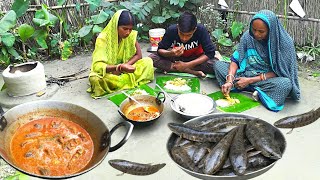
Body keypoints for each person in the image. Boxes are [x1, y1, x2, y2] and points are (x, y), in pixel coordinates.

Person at [213, 10, 300, 112]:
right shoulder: (248, 36)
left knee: (285, 84)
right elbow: (236, 59)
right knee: (218, 65)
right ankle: (248, 88)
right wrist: (229, 79)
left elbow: (282, 72)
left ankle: (250, 88)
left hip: (266, 79)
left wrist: (250, 80)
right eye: (254, 30)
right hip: (245, 73)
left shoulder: (284, 43)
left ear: (271, 30)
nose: (256, 34)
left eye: (261, 32)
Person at [88, 9, 154, 98]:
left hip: (126, 69)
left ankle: (120, 82)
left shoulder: (130, 35)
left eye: (130, 29)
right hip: (110, 72)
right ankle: (127, 81)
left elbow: (138, 55)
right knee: (95, 79)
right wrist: (117, 67)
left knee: (148, 61)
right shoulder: (102, 39)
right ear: (116, 26)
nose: (128, 32)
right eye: (125, 29)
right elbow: (97, 66)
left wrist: (125, 66)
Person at [149, 12, 216, 77]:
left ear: (195, 30)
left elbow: (210, 53)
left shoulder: (201, 30)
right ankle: (191, 71)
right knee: (152, 58)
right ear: (178, 27)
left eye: (188, 35)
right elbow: (160, 50)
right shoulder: (172, 30)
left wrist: (187, 65)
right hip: (176, 59)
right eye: (181, 34)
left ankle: (178, 68)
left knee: (215, 65)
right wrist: (171, 53)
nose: (184, 38)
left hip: (195, 59)